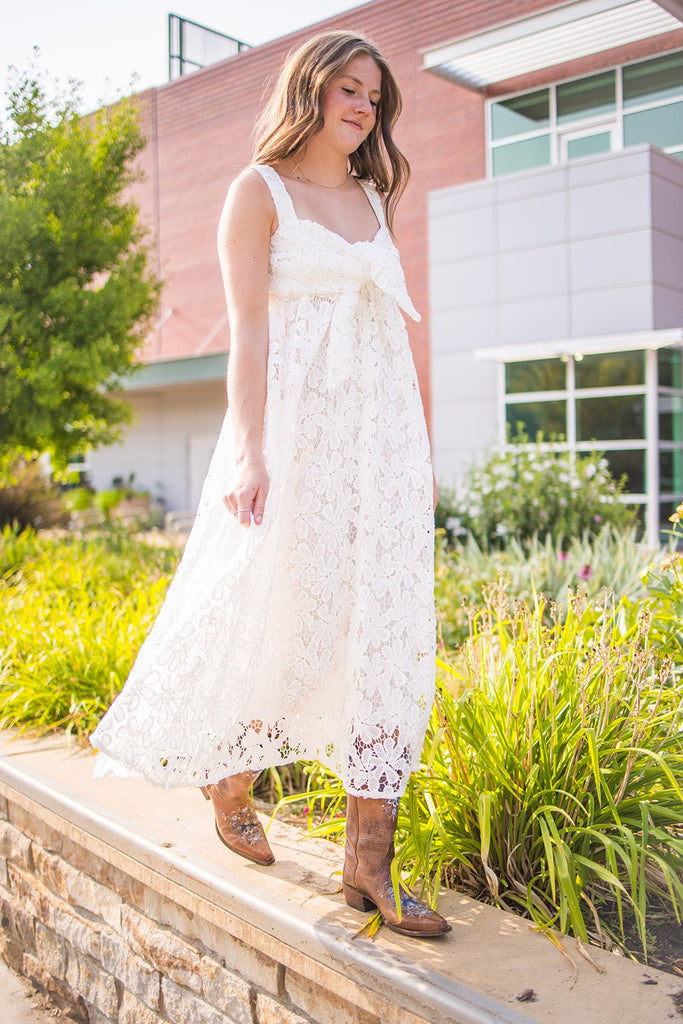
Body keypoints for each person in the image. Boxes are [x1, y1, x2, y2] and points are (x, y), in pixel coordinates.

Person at [89, 30, 450, 939]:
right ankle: (228, 771)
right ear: (311, 90)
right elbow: (249, 335)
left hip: (382, 443)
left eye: (375, 96)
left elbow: (385, 336)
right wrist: (249, 451)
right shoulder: (257, 192)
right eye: (349, 90)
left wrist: (413, 459)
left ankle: (368, 858)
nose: (364, 108)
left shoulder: (377, 193)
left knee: (382, 627)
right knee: (282, 609)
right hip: (296, 437)